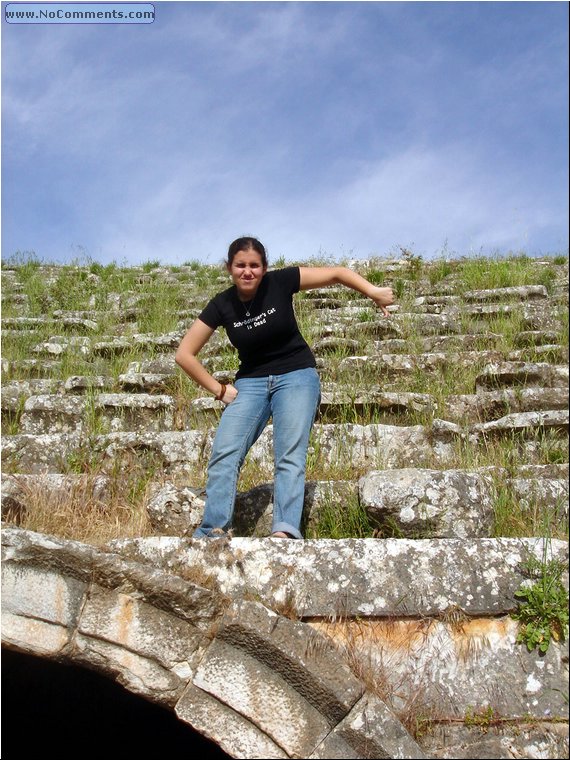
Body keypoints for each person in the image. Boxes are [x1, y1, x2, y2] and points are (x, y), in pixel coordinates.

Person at [175, 236, 394, 539]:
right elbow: (184, 354)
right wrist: (219, 389)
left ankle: (285, 530)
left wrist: (373, 291)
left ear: (264, 268)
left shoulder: (281, 281)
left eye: (254, 265)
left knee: (289, 453)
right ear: (229, 268)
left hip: (296, 375)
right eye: (240, 265)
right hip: (250, 383)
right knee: (224, 453)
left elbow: (337, 273)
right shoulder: (222, 304)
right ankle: (212, 529)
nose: (247, 271)